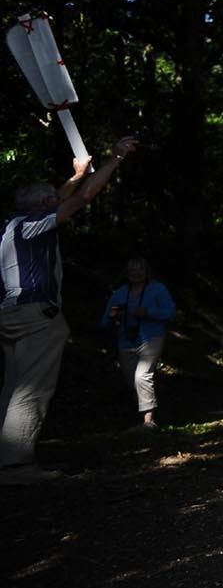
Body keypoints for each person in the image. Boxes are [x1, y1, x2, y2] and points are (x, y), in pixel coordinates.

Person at [1, 136, 139, 483]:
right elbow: (81, 199)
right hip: (35, 315)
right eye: (51, 200)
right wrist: (115, 159)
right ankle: (16, 466)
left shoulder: (12, 225)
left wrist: (77, 174)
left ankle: (6, 459)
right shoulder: (34, 226)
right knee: (32, 388)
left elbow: (62, 198)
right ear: (44, 205)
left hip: (9, 314)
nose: (56, 201)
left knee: (12, 386)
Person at [100, 256, 175, 428]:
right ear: (126, 274)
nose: (136, 273)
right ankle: (146, 407)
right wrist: (112, 316)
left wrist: (148, 312)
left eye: (140, 269)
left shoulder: (158, 289)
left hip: (151, 337)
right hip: (126, 341)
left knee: (142, 376)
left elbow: (170, 313)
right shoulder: (120, 293)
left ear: (147, 272)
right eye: (132, 270)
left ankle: (148, 421)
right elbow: (106, 320)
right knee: (131, 379)